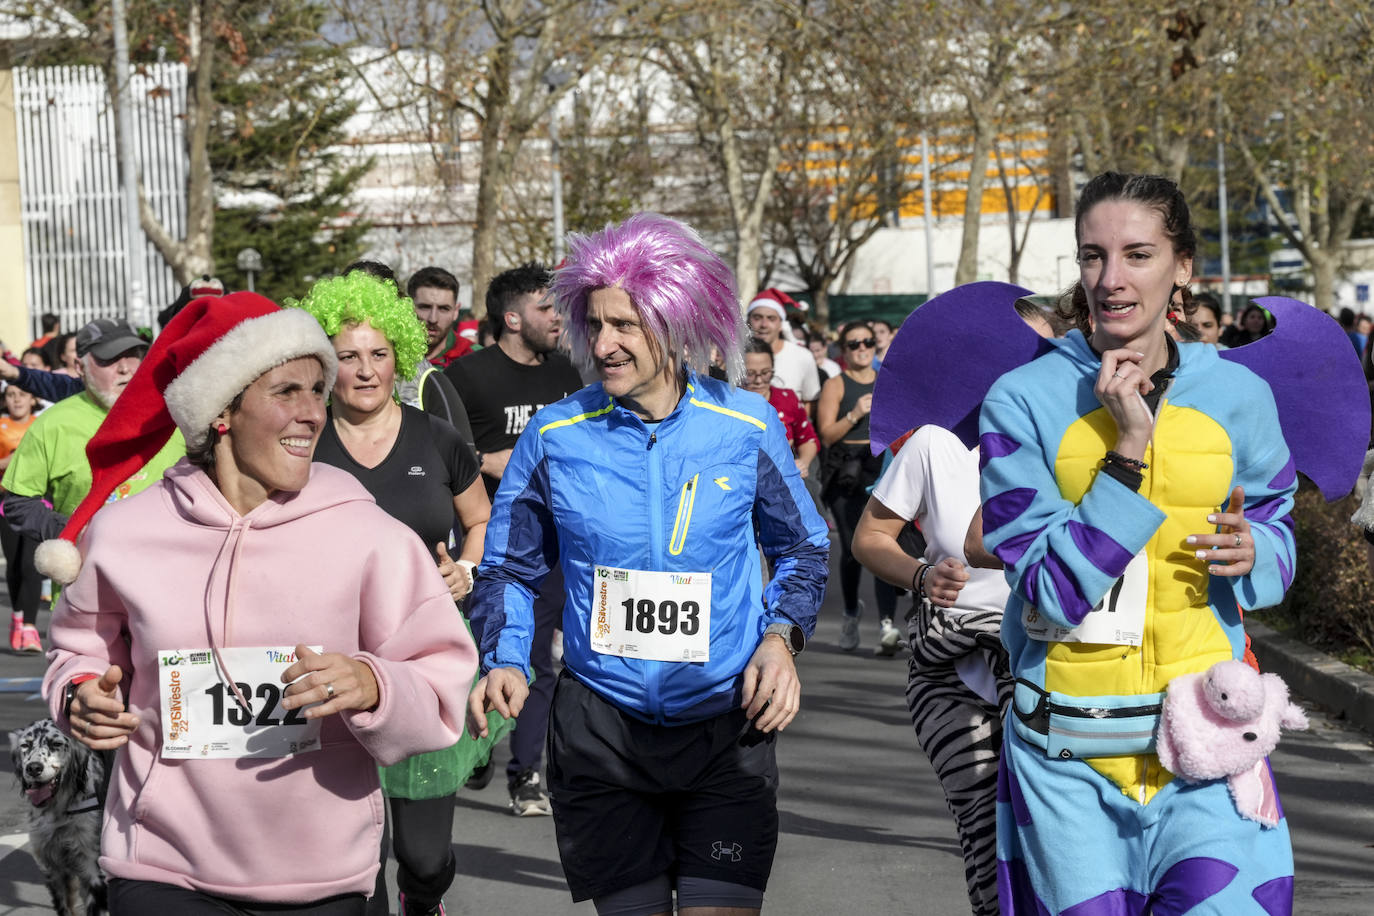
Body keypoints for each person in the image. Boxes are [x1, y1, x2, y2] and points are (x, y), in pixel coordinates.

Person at [39, 292, 476, 915]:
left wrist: (372, 684)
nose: (313, 414)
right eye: (286, 392)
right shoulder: (126, 533)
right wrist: (80, 693)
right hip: (160, 864)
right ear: (222, 411)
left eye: (316, 390)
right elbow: (78, 648)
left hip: (324, 877)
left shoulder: (369, 535)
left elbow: (440, 679)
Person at [466, 212, 827, 916]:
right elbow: (507, 565)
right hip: (602, 731)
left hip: (726, 725)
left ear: (675, 320)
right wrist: (506, 657)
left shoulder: (744, 426)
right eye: (594, 324)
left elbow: (804, 548)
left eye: (626, 325)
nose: (604, 344)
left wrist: (781, 641)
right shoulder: (557, 434)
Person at [980, 172, 1298, 913]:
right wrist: (1126, 453)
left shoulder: (1240, 396)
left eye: (1138, 254)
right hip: (1067, 763)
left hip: (1206, 744)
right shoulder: (1021, 401)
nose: (1111, 280)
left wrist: (1257, 554)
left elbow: (1281, 530)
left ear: (1183, 267)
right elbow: (1050, 590)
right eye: (1092, 256)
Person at [291, 272, 492, 916]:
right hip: (328, 662)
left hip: (421, 661)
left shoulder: (436, 437)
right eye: (347, 356)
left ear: (399, 356)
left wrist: (467, 567)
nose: (366, 370)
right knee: (357, 855)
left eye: (379, 354)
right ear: (326, 363)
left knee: (426, 857)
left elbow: (481, 519)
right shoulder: (300, 444)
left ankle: (424, 898)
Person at [444, 261, 584, 815]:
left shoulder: (568, 375)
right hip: (487, 541)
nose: (556, 319)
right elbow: (442, 452)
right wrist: (487, 458)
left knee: (539, 660)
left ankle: (527, 773)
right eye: (545, 308)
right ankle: (480, 746)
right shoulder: (468, 377)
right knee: (483, 652)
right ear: (510, 317)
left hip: (551, 536)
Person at [1, 319, 184, 631]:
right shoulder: (54, 424)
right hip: (88, 606)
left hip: (171, 597)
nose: (125, 368)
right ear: (79, 367)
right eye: (110, 359)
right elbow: (17, 504)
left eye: (133, 355)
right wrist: (76, 531)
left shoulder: (174, 414)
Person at [817, 320, 900, 654]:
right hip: (844, 467)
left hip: (879, 463)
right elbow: (826, 435)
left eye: (867, 341)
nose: (862, 348)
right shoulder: (837, 384)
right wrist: (854, 414)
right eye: (854, 344)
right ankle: (851, 612)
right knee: (852, 549)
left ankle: (887, 625)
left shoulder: (887, 382)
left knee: (883, 543)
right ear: (843, 350)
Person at [0, 384, 42, 651]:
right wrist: (8, 462)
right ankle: (17, 616)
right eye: (11, 395)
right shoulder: (1, 425)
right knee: (14, 565)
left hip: (37, 500)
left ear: (32, 399)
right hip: (5, 501)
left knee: (31, 563)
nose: (16, 400)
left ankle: (29, 628)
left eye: (22, 395)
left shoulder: (41, 424)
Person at [742, 340, 818, 478]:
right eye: (750, 374)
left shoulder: (787, 399)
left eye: (765, 373)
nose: (759, 381)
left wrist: (802, 463)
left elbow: (808, 439)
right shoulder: (728, 403)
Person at [747, 289, 821, 407]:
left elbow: (810, 402)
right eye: (757, 318)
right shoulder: (735, 358)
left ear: (781, 324)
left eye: (771, 318)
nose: (764, 325)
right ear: (748, 321)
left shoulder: (803, 356)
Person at [408, 266, 473, 367]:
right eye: (425, 307)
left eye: (443, 309)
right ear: (408, 307)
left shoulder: (474, 357)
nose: (433, 319)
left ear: (455, 311)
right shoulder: (388, 354)